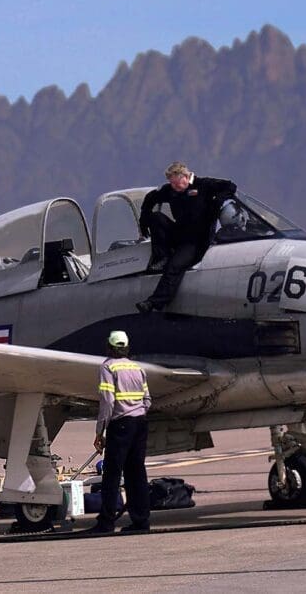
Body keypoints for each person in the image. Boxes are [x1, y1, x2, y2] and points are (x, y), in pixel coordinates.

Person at [136, 161, 237, 312]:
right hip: (180, 234)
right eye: (172, 184)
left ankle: (154, 302)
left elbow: (230, 186)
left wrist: (218, 201)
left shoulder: (204, 185)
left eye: (177, 184)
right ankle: (161, 257)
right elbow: (151, 197)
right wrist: (144, 219)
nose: (175, 188)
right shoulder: (171, 190)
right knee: (156, 217)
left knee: (174, 266)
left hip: (196, 242)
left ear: (185, 176)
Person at [86, 330, 151, 533]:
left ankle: (106, 522)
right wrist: (136, 411)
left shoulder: (108, 367)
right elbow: (147, 399)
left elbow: (107, 401)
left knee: (112, 475)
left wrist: (100, 431)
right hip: (140, 423)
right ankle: (141, 521)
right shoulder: (137, 368)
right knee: (137, 473)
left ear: (109, 347)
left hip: (121, 424)